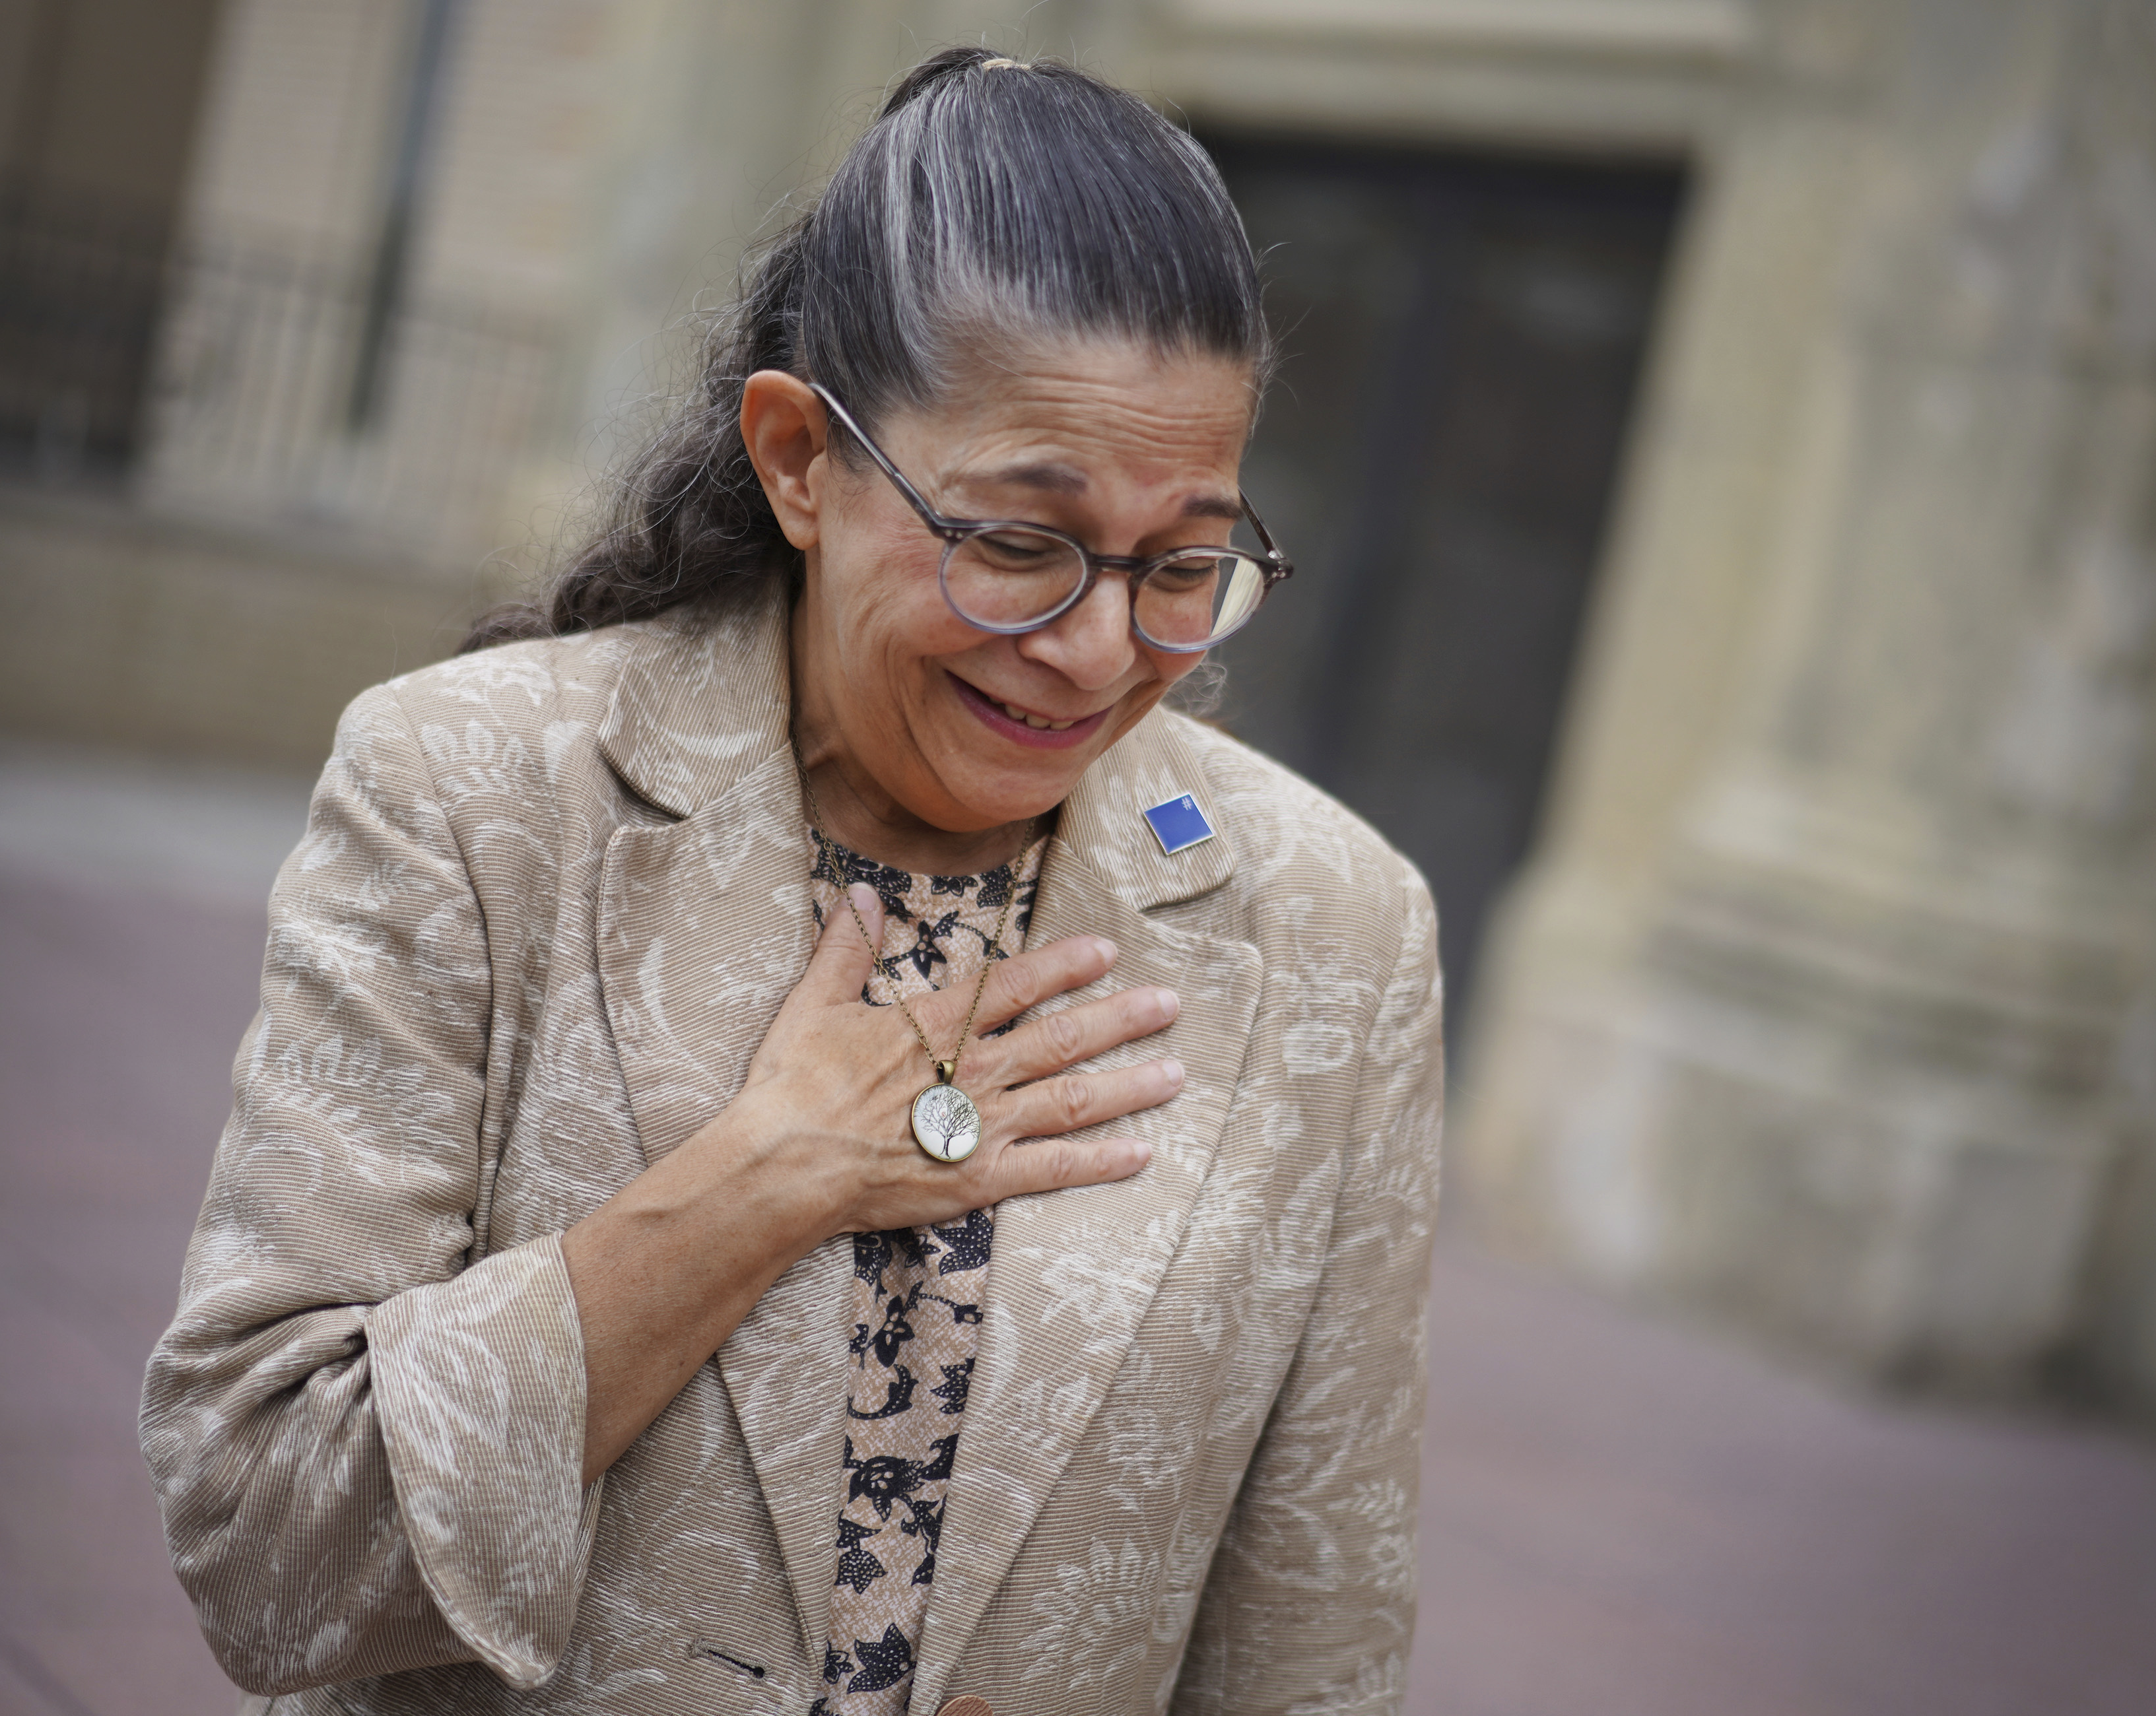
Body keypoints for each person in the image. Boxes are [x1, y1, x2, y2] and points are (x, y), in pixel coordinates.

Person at [141, 46, 1440, 1716]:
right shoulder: (471, 794)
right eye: (1021, 544)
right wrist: (764, 1176)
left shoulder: (1340, 932)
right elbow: (267, 1549)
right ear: (799, 460)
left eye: (1183, 564)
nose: (1104, 648)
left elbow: (1315, 1659)